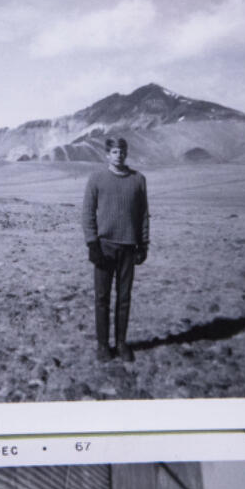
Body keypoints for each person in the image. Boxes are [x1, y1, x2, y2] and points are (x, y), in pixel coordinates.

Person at [82, 137, 150, 362]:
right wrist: (92, 244)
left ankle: (121, 343)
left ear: (126, 153)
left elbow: (143, 215)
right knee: (102, 298)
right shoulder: (96, 179)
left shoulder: (138, 180)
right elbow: (88, 213)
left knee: (124, 298)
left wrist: (143, 244)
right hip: (104, 247)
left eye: (121, 151)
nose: (118, 155)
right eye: (113, 152)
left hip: (129, 248)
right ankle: (103, 346)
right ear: (107, 154)